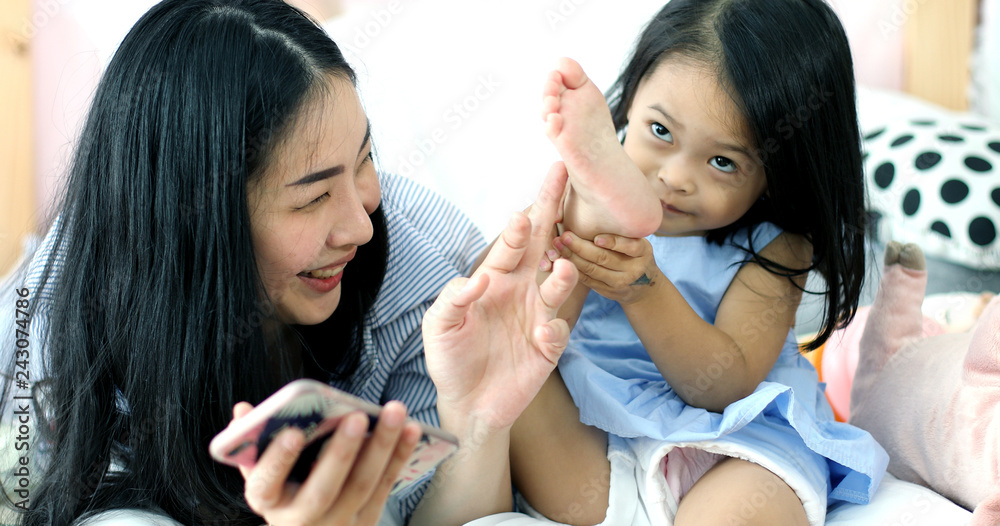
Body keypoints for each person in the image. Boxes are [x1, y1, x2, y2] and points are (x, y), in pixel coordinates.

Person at [0, 1, 577, 525]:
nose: (360, 224)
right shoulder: (52, 322)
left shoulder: (414, 278)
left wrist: (477, 422)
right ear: (200, 221)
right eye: (312, 198)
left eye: (364, 159)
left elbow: (432, 515)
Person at [509, 1, 889, 525]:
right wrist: (582, 224)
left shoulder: (776, 246)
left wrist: (645, 289)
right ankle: (596, 213)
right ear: (632, 96)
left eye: (722, 162)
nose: (676, 177)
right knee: (512, 373)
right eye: (660, 132)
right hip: (595, 438)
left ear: (777, 172)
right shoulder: (575, 188)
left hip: (733, 445)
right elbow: (521, 326)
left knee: (743, 505)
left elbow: (721, 388)